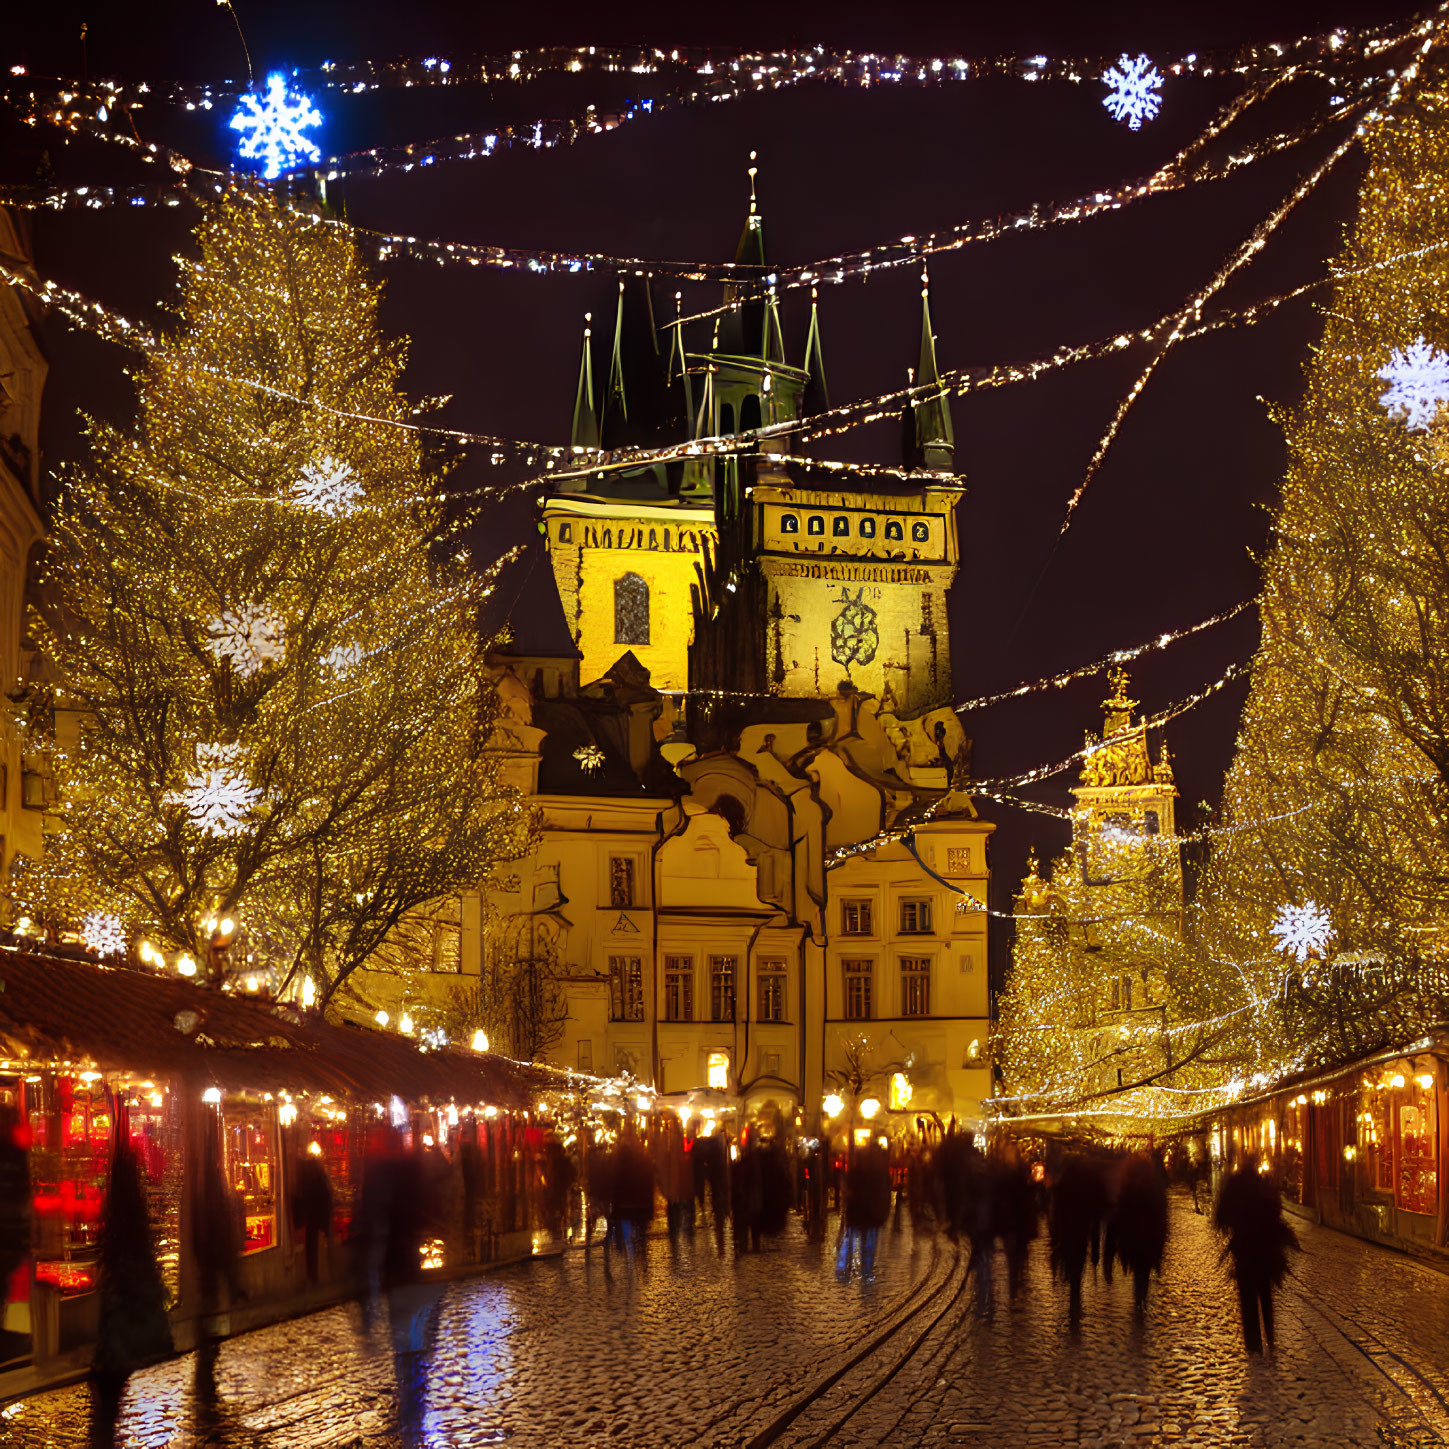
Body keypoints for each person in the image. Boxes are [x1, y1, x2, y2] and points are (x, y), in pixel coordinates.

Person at [91, 1142, 172, 1445]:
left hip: (115, 1337)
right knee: (109, 1401)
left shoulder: (113, 1227)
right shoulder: (135, 1228)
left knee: (106, 1405)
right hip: (123, 1336)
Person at [1215, 1154, 1299, 1354]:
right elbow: (1276, 1210)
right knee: (1265, 1293)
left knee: (1248, 1297)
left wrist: (1234, 1225)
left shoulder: (1236, 1186)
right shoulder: (1263, 1185)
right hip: (1264, 1250)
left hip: (1244, 1250)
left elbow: (1221, 1215)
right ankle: (1269, 1336)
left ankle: (1253, 1344)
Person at [1111, 1151, 1169, 1317]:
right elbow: (1160, 1215)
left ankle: (1139, 1297)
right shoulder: (1153, 1187)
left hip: (1134, 1237)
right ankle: (1141, 1296)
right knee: (1143, 1269)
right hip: (1148, 1237)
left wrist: (1119, 1240)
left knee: (1138, 1269)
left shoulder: (1128, 1187)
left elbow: (1121, 1215)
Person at [290, 1149, 334, 1286]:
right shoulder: (317, 1173)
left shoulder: (304, 1175)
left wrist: (299, 1221)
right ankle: (324, 1275)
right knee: (320, 1244)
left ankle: (313, 1276)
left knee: (311, 1246)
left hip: (313, 1215)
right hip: (319, 1213)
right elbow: (326, 1193)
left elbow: (301, 1197)